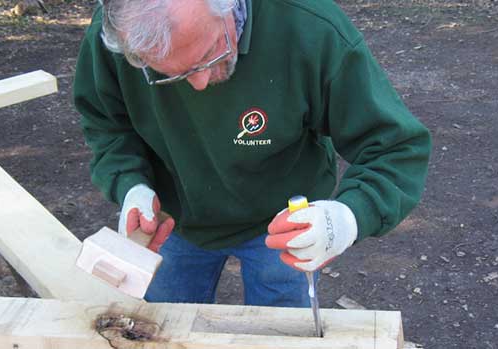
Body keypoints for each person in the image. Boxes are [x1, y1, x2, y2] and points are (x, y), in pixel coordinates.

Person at [73, 0, 431, 307]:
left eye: (209, 54)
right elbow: (106, 123)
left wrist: (349, 217)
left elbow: (395, 146)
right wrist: (131, 185)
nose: (198, 85)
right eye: (170, 75)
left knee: (281, 336)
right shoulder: (120, 28)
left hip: (285, 224)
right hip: (173, 220)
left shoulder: (307, 26)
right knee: (161, 332)